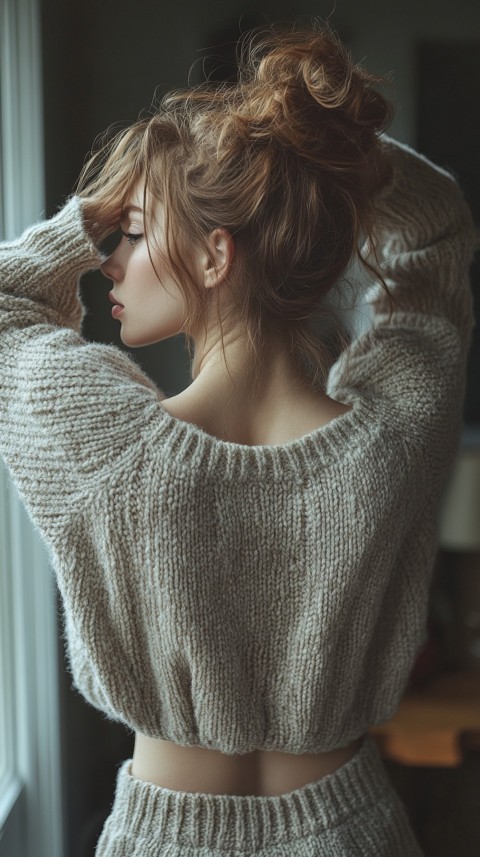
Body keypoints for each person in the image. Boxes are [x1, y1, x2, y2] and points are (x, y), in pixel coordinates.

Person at [0, 23, 476, 857]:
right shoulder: (393, 439)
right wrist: (323, 159)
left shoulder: (104, 442)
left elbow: (6, 302)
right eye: (113, 231)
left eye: (135, 229)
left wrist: (82, 216)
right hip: (357, 835)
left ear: (216, 255)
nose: (112, 257)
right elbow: (436, 242)